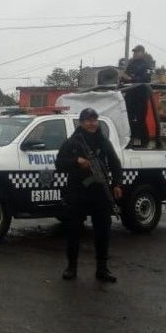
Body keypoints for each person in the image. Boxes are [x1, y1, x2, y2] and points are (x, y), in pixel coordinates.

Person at [55, 108, 123, 283]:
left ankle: (102, 269)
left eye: (95, 120)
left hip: (100, 192)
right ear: (82, 122)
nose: (92, 124)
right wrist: (77, 161)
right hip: (78, 192)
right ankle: (71, 267)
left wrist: (117, 184)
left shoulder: (103, 141)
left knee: (103, 231)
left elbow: (115, 163)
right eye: (88, 120)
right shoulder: (73, 142)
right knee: (74, 231)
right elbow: (59, 163)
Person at [121, 44, 154, 147]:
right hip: (130, 97)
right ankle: (129, 143)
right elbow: (124, 78)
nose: (134, 54)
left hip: (140, 97)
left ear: (142, 52)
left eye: (137, 52)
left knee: (140, 120)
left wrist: (131, 78)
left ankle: (143, 144)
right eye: (134, 52)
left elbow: (145, 79)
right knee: (128, 120)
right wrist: (122, 77)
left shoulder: (146, 65)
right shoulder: (131, 65)